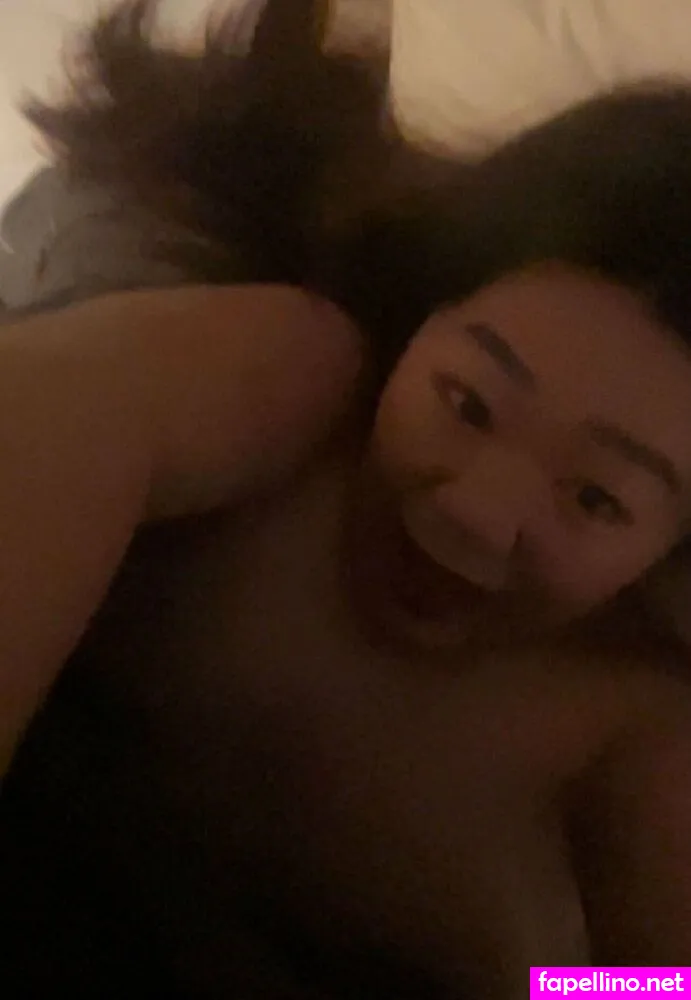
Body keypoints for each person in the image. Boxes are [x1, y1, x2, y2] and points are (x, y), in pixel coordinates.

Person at [2, 1, 691, 996]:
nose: (474, 510)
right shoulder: (285, 375)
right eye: (466, 401)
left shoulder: (632, 731)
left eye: (594, 497)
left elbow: (662, 990)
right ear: (418, 322)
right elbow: (54, 412)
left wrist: (550, 990)